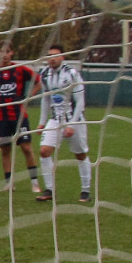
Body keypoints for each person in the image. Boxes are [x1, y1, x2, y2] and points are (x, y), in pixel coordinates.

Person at [0, 43, 40, 192]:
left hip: (19, 115)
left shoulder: (20, 69)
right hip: (1, 117)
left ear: (12, 53)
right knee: (5, 150)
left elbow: (38, 81)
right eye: (2, 51)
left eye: (7, 51)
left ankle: (35, 183)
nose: (4, 55)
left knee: (27, 148)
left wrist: (28, 97)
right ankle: (9, 183)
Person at [34, 45, 91, 204]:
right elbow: (46, 99)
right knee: (44, 151)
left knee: (80, 154)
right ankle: (49, 190)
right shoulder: (44, 75)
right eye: (49, 56)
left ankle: (86, 190)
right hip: (55, 119)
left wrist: (72, 125)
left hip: (74, 119)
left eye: (55, 55)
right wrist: (42, 123)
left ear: (63, 57)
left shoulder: (72, 74)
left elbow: (80, 102)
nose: (51, 59)